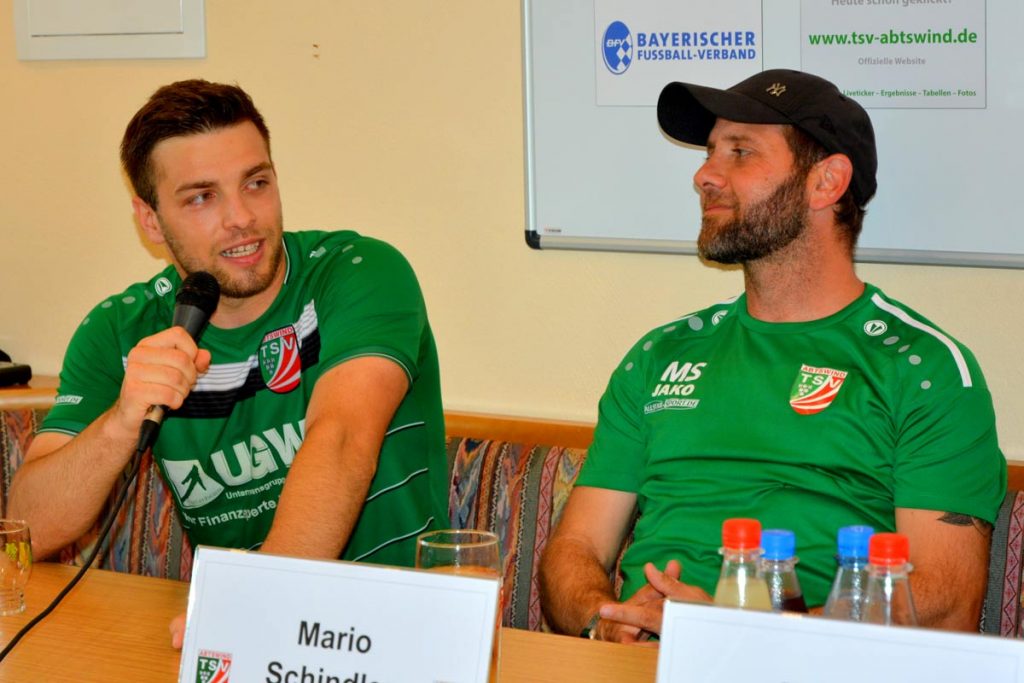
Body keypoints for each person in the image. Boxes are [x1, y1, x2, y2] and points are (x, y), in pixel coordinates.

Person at [539, 69, 1006, 640]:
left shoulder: (922, 368)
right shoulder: (660, 355)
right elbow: (576, 547)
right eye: (711, 153)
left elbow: (947, 605)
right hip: (641, 661)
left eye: (740, 152)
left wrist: (740, 634)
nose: (705, 175)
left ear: (826, 182)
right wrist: (606, 619)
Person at [9, 80, 449, 645]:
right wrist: (120, 423)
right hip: (246, 636)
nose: (241, 217)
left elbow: (341, 441)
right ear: (150, 220)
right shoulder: (119, 331)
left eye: (256, 183)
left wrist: (252, 612)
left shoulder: (360, 273)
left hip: (399, 629)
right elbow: (29, 531)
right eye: (201, 197)